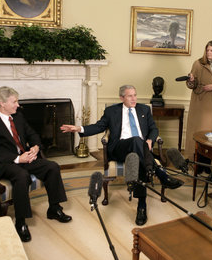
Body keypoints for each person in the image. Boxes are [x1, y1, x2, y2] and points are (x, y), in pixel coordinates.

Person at [60, 85, 183, 226]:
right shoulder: (111, 111)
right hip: (120, 148)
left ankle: (141, 206)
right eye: (130, 96)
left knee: (138, 155)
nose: (134, 98)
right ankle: (161, 175)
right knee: (138, 141)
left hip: (140, 149)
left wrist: (150, 140)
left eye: (135, 95)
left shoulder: (144, 109)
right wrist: (79, 128)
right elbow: (99, 126)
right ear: (122, 97)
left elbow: (153, 129)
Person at [0, 86, 71, 243]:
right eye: (14, 102)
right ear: (2, 103)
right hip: (5, 163)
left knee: (53, 167)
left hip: (26, 157)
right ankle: (20, 222)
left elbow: (33, 134)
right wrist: (17, 159)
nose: (18, 105)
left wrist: (36, 147)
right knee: (22, 176)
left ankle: (54, 208)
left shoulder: (19, 117)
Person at [184, 41, 212, 173]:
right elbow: (191, 85)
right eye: (207, 50)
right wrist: (191, 81)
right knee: (199, 132)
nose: (209, 53)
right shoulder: (198, 63)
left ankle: (208, 164)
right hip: (200, 102)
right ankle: (196, 163)